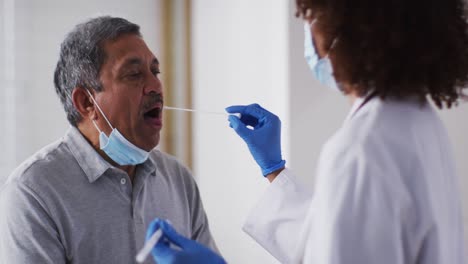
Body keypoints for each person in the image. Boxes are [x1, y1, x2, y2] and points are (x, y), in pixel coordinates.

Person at [145, 0, 468, 263]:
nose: (308, 30)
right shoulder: (418, 121)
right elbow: (331, 242)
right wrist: (274, 170)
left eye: (311, 17)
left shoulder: (362, 149)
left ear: (346, 32)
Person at [0, 16, 219, 264]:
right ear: (86, 102)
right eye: (135, 74)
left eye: (155, 71)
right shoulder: (33, 192)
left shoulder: (178, 179)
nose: (156, 86)